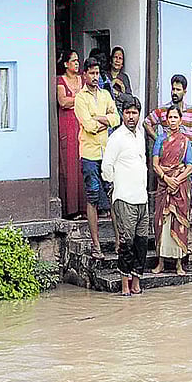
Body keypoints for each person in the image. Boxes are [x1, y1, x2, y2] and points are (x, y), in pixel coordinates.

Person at [74, 56, 120, 259]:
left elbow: (117, 118)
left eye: (97, 73)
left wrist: (100, 119)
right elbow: (89, 126)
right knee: (92, 197)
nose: (95, 77)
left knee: (113, 195)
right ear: (85, 75)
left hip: (107, 152)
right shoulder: (80, 98)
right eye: (91, 73)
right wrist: (105, 121)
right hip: (90, 154)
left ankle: (120, 241)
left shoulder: (105, 95)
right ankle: (96, 245)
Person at [101, 96, 148, 296]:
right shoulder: (116, 138)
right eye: (128, 112)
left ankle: (137, 282)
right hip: (124, 198)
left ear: (139, 114)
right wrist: (116, 185)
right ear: (122, 114)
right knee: (126, 243)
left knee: (141, 243)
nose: (131, 116)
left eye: (135, 112)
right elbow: (106, 168)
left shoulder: (140, 135)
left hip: (142, 198)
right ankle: (124, 285)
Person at [143, 74, 192, 207]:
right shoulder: (163, 110)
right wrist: (160, 141)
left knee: (186, 205)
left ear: (184, 91)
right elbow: (146, 123)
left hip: (185, 165)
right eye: (173, 89)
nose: (174, 92)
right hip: (166, 168)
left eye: (178, 90)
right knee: (165, 206)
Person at [151, 104, 192, 275]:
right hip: (164, 185)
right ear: (166, 120)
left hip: (179, 187)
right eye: (170, 118)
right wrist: (166, 178)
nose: (173, 121)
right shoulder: (160, 140)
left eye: (176, 117)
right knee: (162, 223)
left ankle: (178, 264)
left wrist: (177, 180)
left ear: (180, 119)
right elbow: (155, 164)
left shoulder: (185, 141)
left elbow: (190, 166)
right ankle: (160, 263)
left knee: (178, 224)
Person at [56, 50, 84, 219]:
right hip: (67, 126)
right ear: (66, 64)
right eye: (73, 61)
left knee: (81, 165)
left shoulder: (82, 79)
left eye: (77, 60)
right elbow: (63, 102)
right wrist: (79, 99)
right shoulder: (60, 80)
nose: (77, 63)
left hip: (81, 125)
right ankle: (71, 210)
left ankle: (83, 208)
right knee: (69, 166)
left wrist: (74, 99)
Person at [107, 46, 133, 112]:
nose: (117, 60)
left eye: (120, 58)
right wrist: (113, 82)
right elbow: (101, 93)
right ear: (111, 60)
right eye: (115, 57)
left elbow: (130, 98)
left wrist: (118, 94)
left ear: (122, 64)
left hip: (120, 112)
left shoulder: (124, 77)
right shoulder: (104, 75)